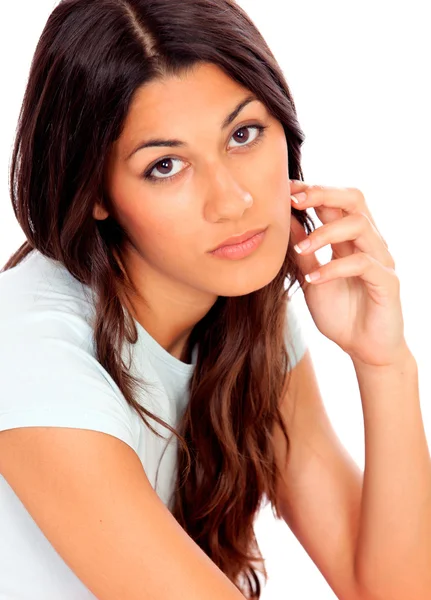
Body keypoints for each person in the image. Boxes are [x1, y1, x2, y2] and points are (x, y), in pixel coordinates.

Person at [0, 1, 427, 600]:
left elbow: (390, 590)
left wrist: (385, 363)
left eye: (243, 134)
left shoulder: (241, 309)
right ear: (95, 191)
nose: (231, 201)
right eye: (166, 165)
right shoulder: (30, 351)